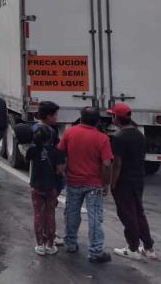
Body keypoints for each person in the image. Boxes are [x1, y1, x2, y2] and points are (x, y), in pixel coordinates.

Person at [58, 107, 113, 263]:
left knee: (72, 212)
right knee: (94, 217)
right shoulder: (102, 138)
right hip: (94, 184)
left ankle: (70, 243)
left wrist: (62, 171)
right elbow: (107, 164)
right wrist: (106, 183)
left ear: (81, 118)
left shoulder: (69, 132)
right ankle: (95, 251)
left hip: (73, 181)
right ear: (97, 121)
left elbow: (60, 152)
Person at [108, 103, 157, 260]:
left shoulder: (119, 137)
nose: (111, 118)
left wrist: (112, 182)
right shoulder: (139, 134)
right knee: (138, 212)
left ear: (116, 118)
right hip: (138, 178)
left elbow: (117, 163)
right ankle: (148, 247)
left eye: (112, 115)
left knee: (127, 214)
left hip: (124, 180)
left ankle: (133, 248)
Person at [26, 124, 64, 256]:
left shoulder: (32, 150)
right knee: (50, 215)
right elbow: (60, 170)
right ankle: (50, 245)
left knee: (38, 215)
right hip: (51, 187)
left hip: (36, 187)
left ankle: (39, 245)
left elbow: (27, 159)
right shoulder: (57, 152)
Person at [34, 100, 64, 247]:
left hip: (36, 177)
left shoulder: (34, 128)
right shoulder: (50, 132)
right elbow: (58, 154)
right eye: (55, 115)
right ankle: (50, 238)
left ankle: (41, 241)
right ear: (48, 116)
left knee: (39, 211)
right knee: (50, 209)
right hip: (51, 178)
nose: (57, 117)